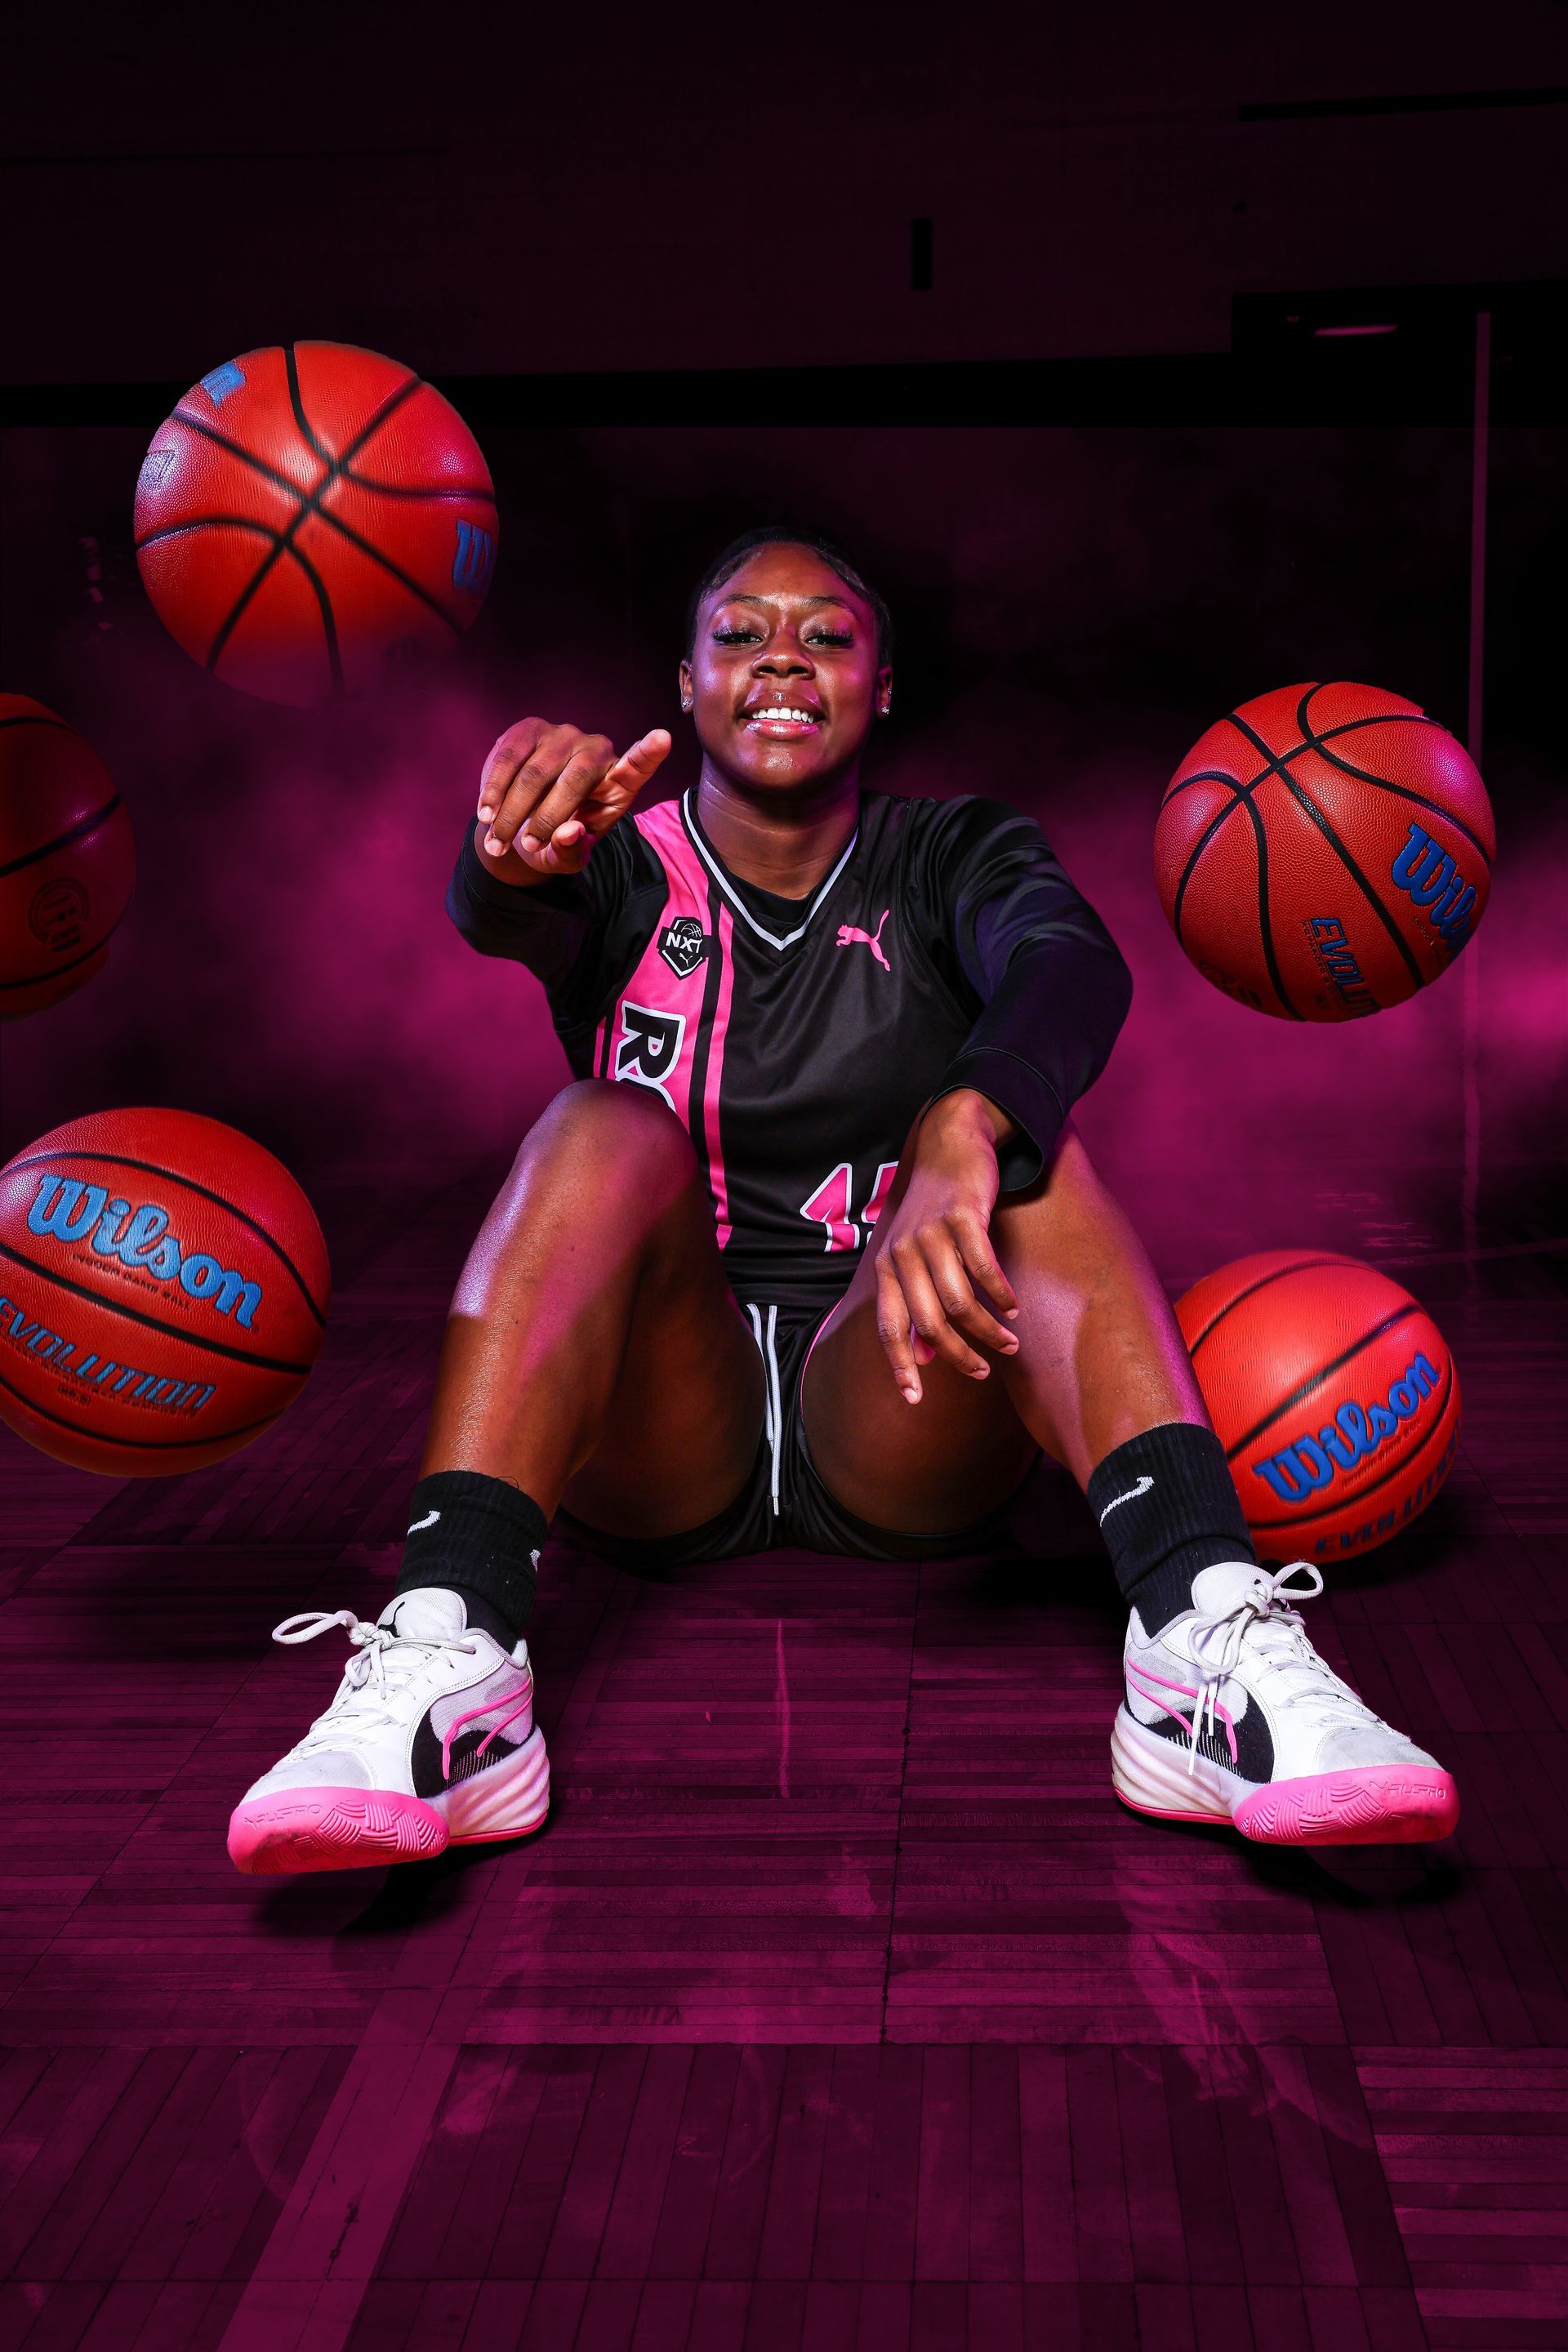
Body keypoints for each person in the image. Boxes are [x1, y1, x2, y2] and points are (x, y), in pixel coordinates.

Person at [227, 528, 1459, 1877]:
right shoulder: (617, 862)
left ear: (883, 690)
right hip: (662, 1420)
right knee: (599, 1121)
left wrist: (963, 1119)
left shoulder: (951, 854)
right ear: (687, 683)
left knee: (1029, 1153)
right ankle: (453, 1660)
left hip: (900, 1389)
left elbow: (1070, 966)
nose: (783, 660)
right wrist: (512, 849)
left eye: (827, 636)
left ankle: (1201, 1642)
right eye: (741, 633)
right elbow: (498, 902)